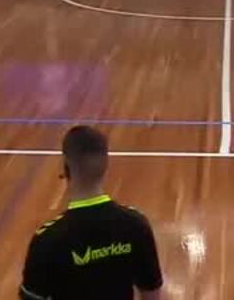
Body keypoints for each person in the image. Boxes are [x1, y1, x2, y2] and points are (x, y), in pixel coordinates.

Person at [19, 126, 163, 300]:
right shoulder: (136, 225)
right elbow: (152, 295)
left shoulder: (47, 240)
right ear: (106, 165)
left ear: (65, 165)